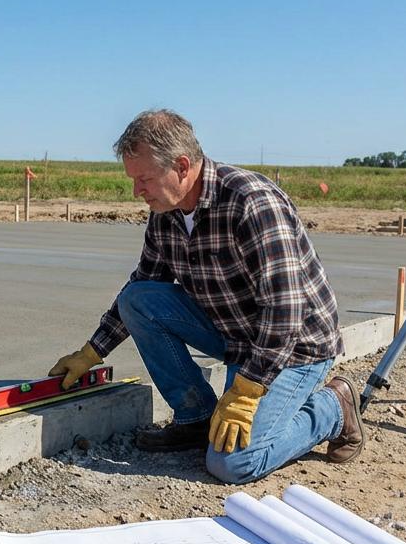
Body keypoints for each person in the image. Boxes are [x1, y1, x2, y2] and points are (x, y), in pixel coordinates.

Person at [49, 109, 364, 484]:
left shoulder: (251, 202)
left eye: (144, 179)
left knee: (232, 464)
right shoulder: (166, 213)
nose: (137, 191)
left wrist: (247, 390)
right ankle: (196, 417)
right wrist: (92, 352)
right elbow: (144, 284)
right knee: (139, 298)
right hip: (234, 334)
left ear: (182, 166)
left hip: (293, 349)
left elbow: (286, 310)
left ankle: (333, 408)